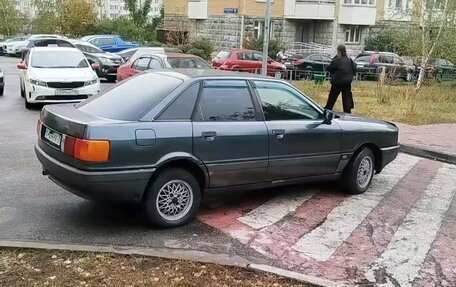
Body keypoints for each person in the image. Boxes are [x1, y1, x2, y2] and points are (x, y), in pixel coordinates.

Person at [324, 45, 356, 114]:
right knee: (346, 97)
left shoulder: (336, 60)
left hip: (337, 82)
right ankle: (347, 112)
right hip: (347, 82)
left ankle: (327, 109)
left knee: (332, 97)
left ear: (339, 51)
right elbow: (354, 69)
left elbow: (329, 68)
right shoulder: (349, 60)